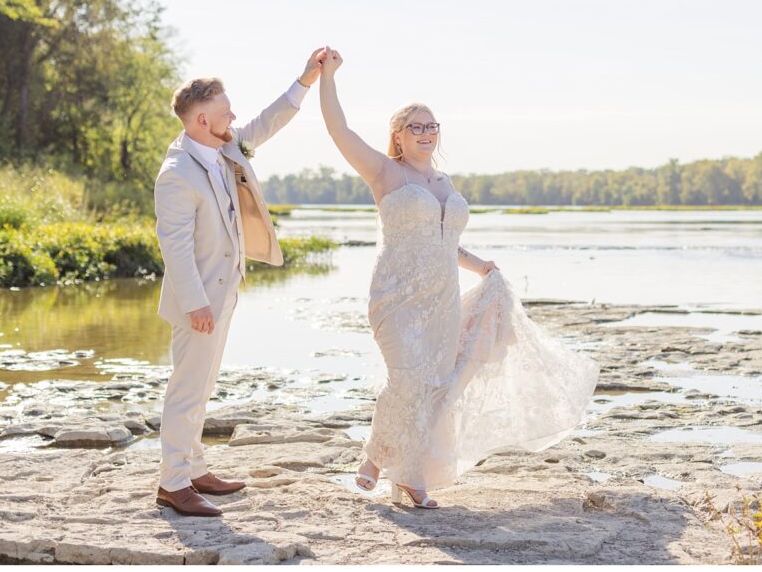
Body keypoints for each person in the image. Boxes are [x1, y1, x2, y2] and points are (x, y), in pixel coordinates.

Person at [317, 46, 599, 509]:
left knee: (433, 387)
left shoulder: (445, 184)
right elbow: (338, 129)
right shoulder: (385, 173)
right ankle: (376, 456)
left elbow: (447, 245)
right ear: (398, 136)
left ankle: (408, 475)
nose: (426, 133)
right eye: (416, 126)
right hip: (397, 296)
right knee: (405, 379)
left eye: (432, 126)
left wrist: (481, 266)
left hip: (442, 298)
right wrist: (328, 76)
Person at [153, 48, 326, 516]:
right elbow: (175, 247)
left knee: (203, 386)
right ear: (202, 120)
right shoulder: (175, 175)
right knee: (187, 389)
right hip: (199, 300)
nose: (234, 115)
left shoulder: (225, 145)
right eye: (225, 110)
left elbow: (269, 121)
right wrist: (197, 303)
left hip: (224, 292)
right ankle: (173, 483)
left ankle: (194, 468)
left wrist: (306, 79)